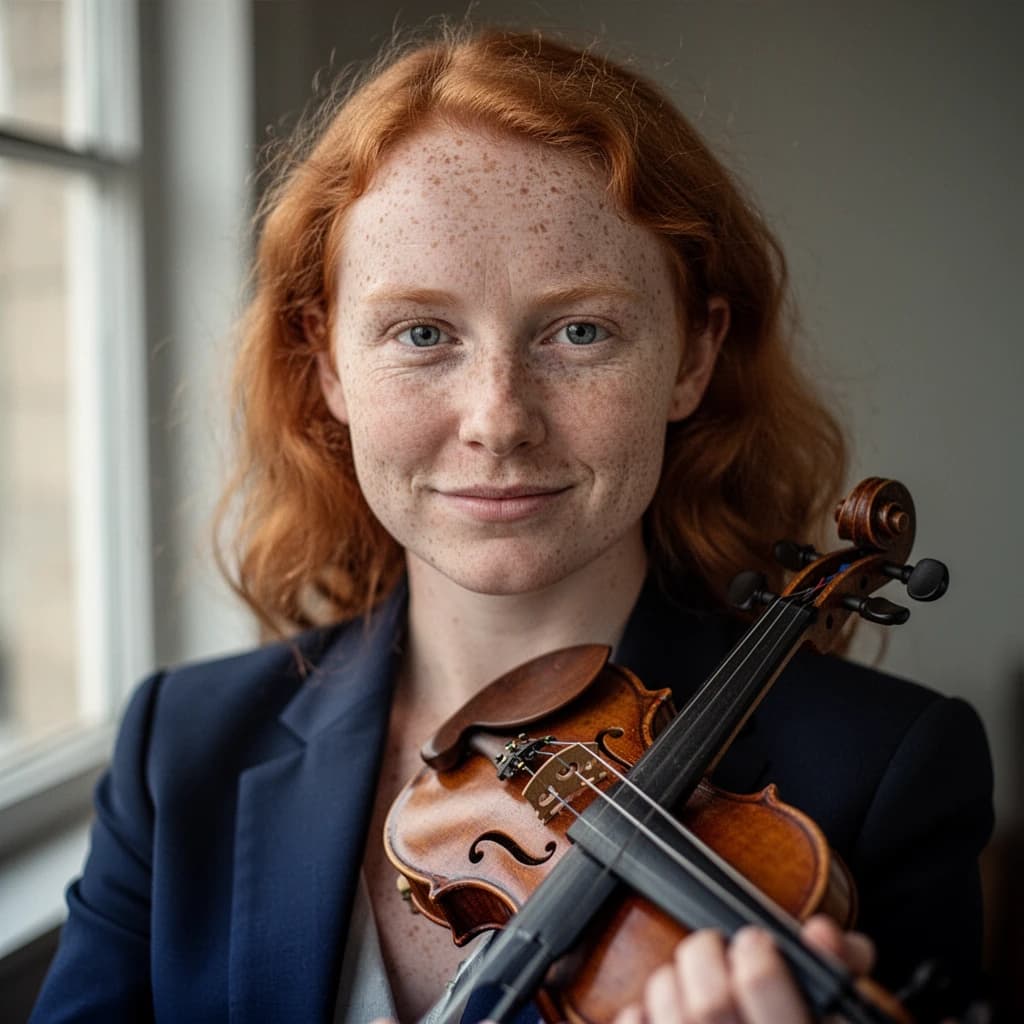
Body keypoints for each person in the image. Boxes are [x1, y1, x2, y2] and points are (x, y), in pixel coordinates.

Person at [30, 26, 993, 1024]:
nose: (497, 418)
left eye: (580, 331)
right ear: (327, 364)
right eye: (421, 333)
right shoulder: (179, 749)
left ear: (693, 356)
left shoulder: (885, 772)